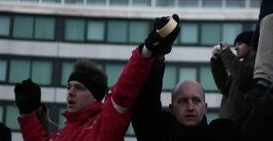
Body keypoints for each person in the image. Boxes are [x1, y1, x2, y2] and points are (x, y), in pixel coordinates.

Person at [14, 14, 181, 141]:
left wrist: (147, 50)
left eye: (79, 88)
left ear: (95, 96)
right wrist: (27, 113)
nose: (70, 92)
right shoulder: (61, 134)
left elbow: (124, 90)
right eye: (69, 87)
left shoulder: (105, 123)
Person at [132, 50, 241, 140]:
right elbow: (145, 105)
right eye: (183, 101)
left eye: (196, 100)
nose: (190, 107)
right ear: (172, 108)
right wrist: (157, 59)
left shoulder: (224, 134)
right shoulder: (158, 135)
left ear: (205, 108)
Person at [210, 31, 256, 123]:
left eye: (239, 44)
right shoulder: (241, 65)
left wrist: (226, 51)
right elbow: (224, 87)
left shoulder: (255, 63)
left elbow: (243, 74)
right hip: (230, 122)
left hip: (242, 124)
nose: (235, 48)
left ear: (251, 45)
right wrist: (217, 61)